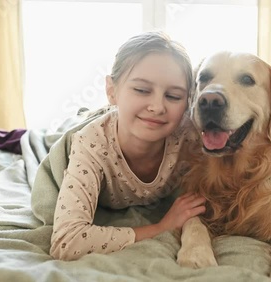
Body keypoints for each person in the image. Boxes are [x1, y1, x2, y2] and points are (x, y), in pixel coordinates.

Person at [50, 31, 206, 260]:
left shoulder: (189, 137)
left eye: (173, 96)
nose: (157, 107)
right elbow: (66, 242)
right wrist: (161, 227)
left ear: (188, 102)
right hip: (94, 131)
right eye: (142, 90)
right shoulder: (91, 144)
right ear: (112, 91)